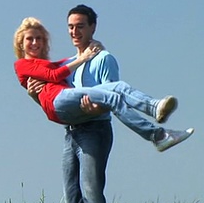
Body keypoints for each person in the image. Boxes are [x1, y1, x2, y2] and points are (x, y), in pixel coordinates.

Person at [20, 5, 192, 203]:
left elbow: (113, 99)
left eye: (80, 26)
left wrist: (95, 109)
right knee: (73, 197)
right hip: (71, 133)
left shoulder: (103, 58)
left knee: (91, 191)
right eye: (70, 27)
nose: (74, 31)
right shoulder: (67, 65)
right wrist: (32, 94)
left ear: (92, 27)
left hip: (95, 130)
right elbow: (52, 100)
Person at [13, 16, 194, 152]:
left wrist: (93, 48)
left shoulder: (47, 63)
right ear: (21, 43)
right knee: (113, 98)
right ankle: (157, 136)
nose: (35, 42)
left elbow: (68, 62)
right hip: (58, 101)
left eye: (39, 38)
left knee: (119, 87)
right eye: (30, 39)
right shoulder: (21, 64)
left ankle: (154, 107)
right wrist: (83, 58)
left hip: (63, 100)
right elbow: (54, 74)